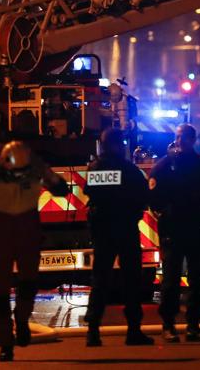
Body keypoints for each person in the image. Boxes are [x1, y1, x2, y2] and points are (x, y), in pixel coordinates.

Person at [0, 141, 69, 362]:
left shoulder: (35, 171)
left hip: (27, 233)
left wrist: (45, 171)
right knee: (0, 293)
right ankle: (5, 343)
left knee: (28, 284)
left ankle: (22, 321)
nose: (18, 177)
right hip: (2, 235)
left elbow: (62, 190)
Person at [84, 128, 154, 347]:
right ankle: (133, 330)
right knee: (131, 280)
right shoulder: (128, 169)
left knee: (100, 279)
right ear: (117, 144)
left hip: (103, 230)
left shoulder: (95, 168)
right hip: (125, 229)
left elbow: (89, 192)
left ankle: (93, 331)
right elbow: (143, 196)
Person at [150, 123, 200, 343]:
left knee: (197, 280)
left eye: (184, 137)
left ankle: (193, 325)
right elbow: (153, 196)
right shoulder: (166, 165)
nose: (179, 141)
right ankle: (168, 324)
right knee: (171, 279)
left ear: (193, 140)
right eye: (178, 137)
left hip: (194, 226)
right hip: (173, 227)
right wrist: (165, 213)